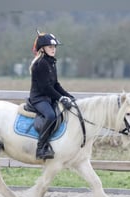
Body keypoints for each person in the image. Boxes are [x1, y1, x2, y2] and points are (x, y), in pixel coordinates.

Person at [29, 31, 75, 160]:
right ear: (42, 49)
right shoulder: (40, 64)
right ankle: (40, 148)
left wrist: (69, 97)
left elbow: (55, 85)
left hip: (48, 97)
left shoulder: (51, 62)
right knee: (50, 115)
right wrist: (61, 98)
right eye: (50, 47)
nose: (53, 49)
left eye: (54, 47)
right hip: (38, 98)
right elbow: (46, 87)